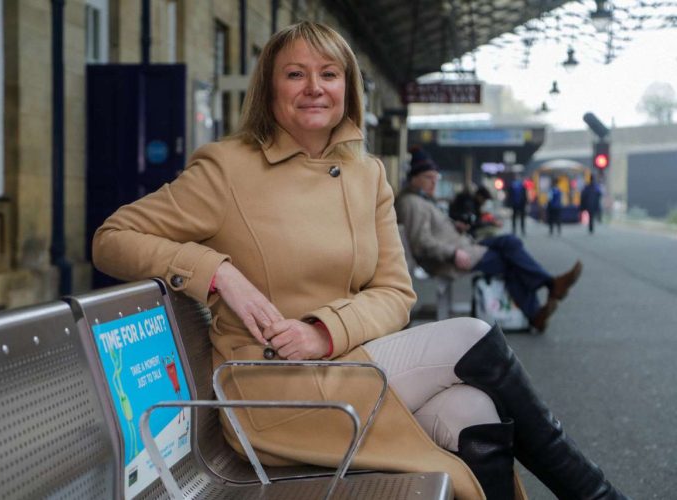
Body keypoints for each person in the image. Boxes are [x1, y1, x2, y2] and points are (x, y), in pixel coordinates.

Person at [93, 21, 627, 500]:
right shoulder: (226, 169)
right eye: (295, 74)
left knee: (473, 412)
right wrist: (219, 273)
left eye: (328, 73)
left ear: (347, 88)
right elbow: (113, 238)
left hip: (348, 361)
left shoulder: (367, 173)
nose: (313, 88)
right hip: (271, 387)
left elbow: (396, 293)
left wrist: (325, 333)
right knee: (470, 335)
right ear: (269, 88)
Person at [396, 156, 582, 333]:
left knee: (511, 243)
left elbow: (434, 230)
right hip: (454, 256)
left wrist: (455, 226)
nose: (433, 182)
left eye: (435, 178)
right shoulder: (412, 204)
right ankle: (544, 296)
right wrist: (453, 253)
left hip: (465, 245)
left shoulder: (420, 200)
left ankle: (546, 292)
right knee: (509, 260)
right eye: (428, 178)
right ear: (414, 178)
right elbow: (421, 242)